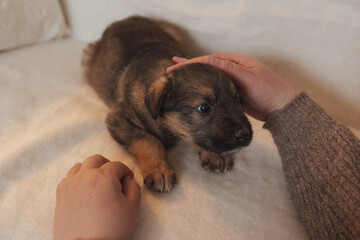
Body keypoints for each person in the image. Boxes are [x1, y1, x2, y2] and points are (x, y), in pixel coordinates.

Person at [54, 53, 360, 240]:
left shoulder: (180, 87)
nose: (240, 129)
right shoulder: (152, 97)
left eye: (235, 99)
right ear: (160, 106)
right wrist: (152, 156)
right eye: (204, 109)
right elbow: (118, 121)